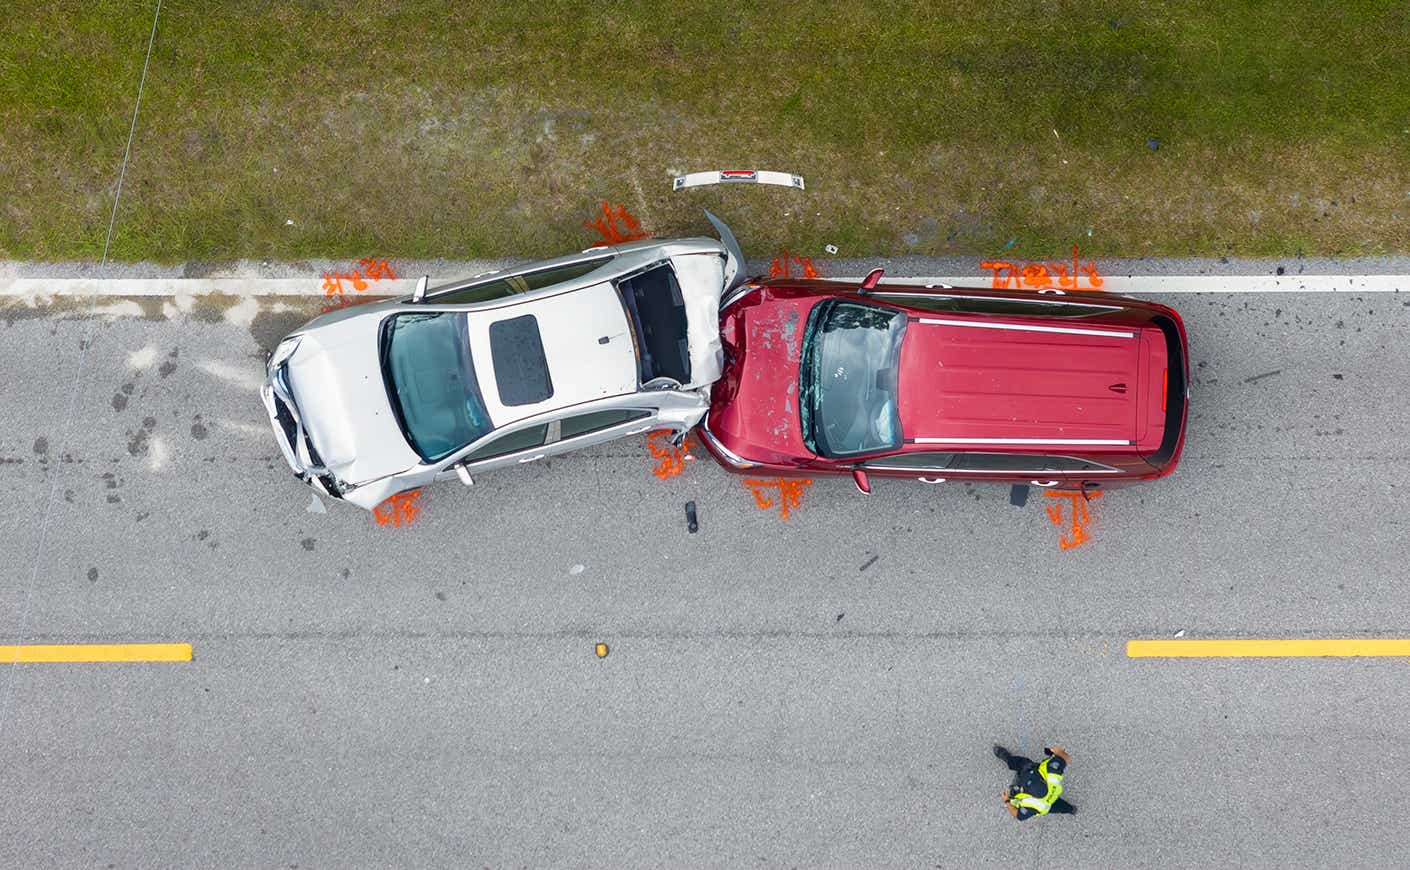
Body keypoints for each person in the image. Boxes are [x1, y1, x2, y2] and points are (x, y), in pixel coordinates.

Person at [993, 744, 1076, 820]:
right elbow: (1066, 758)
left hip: (1028, 775)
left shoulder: (1033, 805)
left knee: (1022, 764)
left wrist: (1007, 800)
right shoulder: (1052, 771)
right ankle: (1071, 809)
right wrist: (1058, 751)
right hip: (1050, 797)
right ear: (1043, 780)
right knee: (1059, 805)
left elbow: (1017, 815)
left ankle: (1007, 758)